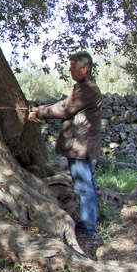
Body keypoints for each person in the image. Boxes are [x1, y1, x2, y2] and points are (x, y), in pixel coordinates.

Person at [29, 52, 103, 238]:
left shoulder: (87, 89)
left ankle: (88, 228)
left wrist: (40, 111)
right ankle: (88, 223)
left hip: (81, 144)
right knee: (85, 185)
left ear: (84, 69)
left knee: (84, 186)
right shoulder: (84, 88)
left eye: (73, 67)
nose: (70, 70)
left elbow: (65, 108)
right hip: (81, 144)